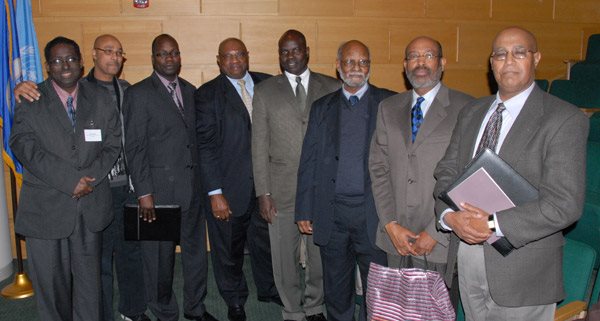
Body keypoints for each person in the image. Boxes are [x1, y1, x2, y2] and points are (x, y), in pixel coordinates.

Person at [433, 26, 588, 320]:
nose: (509, 61)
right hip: (467, 255)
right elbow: (446, 172)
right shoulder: (472, 112)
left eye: (520, 52)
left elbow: (564, 204)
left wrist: (491, 224)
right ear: (491, 64)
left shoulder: (564, 118)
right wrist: (449, 217)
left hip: (524, 269)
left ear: (536, 58)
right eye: (500, 54)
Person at [14, 34, 150, 321]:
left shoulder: (100, 99)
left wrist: (88, 178)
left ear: (81, 62)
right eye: (58, 60)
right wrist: (69, 180)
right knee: (53, 291)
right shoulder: (31, 98)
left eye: (72, 59)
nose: (66, 65)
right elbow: (24, 146)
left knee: (90, 290)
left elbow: (113, 143)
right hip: (47, 211)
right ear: (47, 65)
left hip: (91, 208)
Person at [368, 36, 473, 306]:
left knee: (434, 311)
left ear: (442, 63)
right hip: (395, 238)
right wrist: (391, 224)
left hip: (439, 241)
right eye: (413, 56)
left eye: (428, 55)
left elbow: (470, 176)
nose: (420, 62)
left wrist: (437, 230)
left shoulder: (467, 108)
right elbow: (378, 168)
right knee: (396, 310)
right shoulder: (388, 108)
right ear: (404, 65)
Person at [295, 40, 394, 321]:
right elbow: (308, 160)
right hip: (332, 213)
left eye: (363, 62)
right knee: (337, 287)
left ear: (370, 68)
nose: (356, 68)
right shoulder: (321, 107)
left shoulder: (389, 103)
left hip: (373, 215)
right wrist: (304, 208)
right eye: (350, 62)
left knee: (377, 289)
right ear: (338, 67)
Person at [123, 34, 217, 321]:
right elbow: (135, 148)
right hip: (158, 194)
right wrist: (144, 194)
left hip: (193, 191)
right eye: (163, 54)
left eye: (174, 53)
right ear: (153, 58)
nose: (169, 59)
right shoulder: (138, 94)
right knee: (159, 262)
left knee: (196, 256)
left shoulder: (190, 91)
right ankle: (165, 312)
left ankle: (194, 308)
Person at [252, 29, 339, 321]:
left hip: (320, 190)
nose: (290, 56)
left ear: (307, 51)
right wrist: (263, 193)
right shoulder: (265, 91)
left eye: (295, 50)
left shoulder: (331, 86)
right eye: (284, 51)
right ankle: (291, 309)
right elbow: (259, 146)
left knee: (318, 253)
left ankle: (315, 305)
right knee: (283, 258)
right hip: (280, 189)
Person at [195, 37, 279, 321]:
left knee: (266, 242)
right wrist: (215, 192)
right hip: (229, 189)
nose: (234, 61)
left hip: (267, 187)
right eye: (227, 56)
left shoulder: (269, 84)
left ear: (247, 56)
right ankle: (235, 300)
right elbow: (205, 147)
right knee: (228, 249)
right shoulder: (207, 94)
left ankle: (268, 288)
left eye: (239, 54)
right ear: (219, 61)